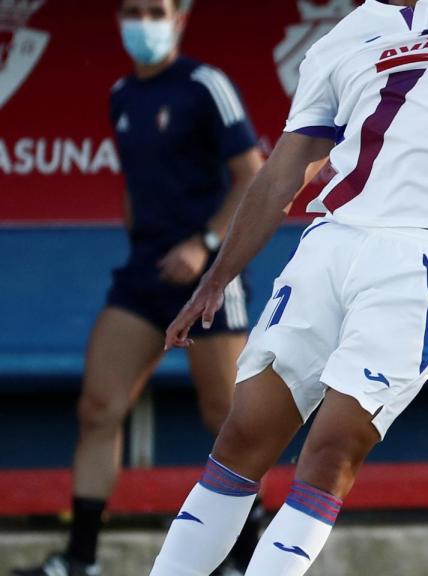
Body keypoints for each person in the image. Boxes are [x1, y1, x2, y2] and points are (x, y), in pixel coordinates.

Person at [146, 0, 428, 574]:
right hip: (327, 245)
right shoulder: (344, 34)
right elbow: (283, 170)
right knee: (242, 435)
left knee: (332, 449)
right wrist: (216, 277)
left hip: (424, 262)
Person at [12, 1, 265, 575]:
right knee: (99, 406)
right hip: (145, 275)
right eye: (133, 9)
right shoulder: (122, 94)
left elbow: (253, 171)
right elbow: (133, 186)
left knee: (229, 418)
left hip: (208, 278)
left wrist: (204, 243)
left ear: (179, 19)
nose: (143, 20)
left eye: (156, 10)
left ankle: (245, 560)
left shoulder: (206, 85)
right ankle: (81, 560)